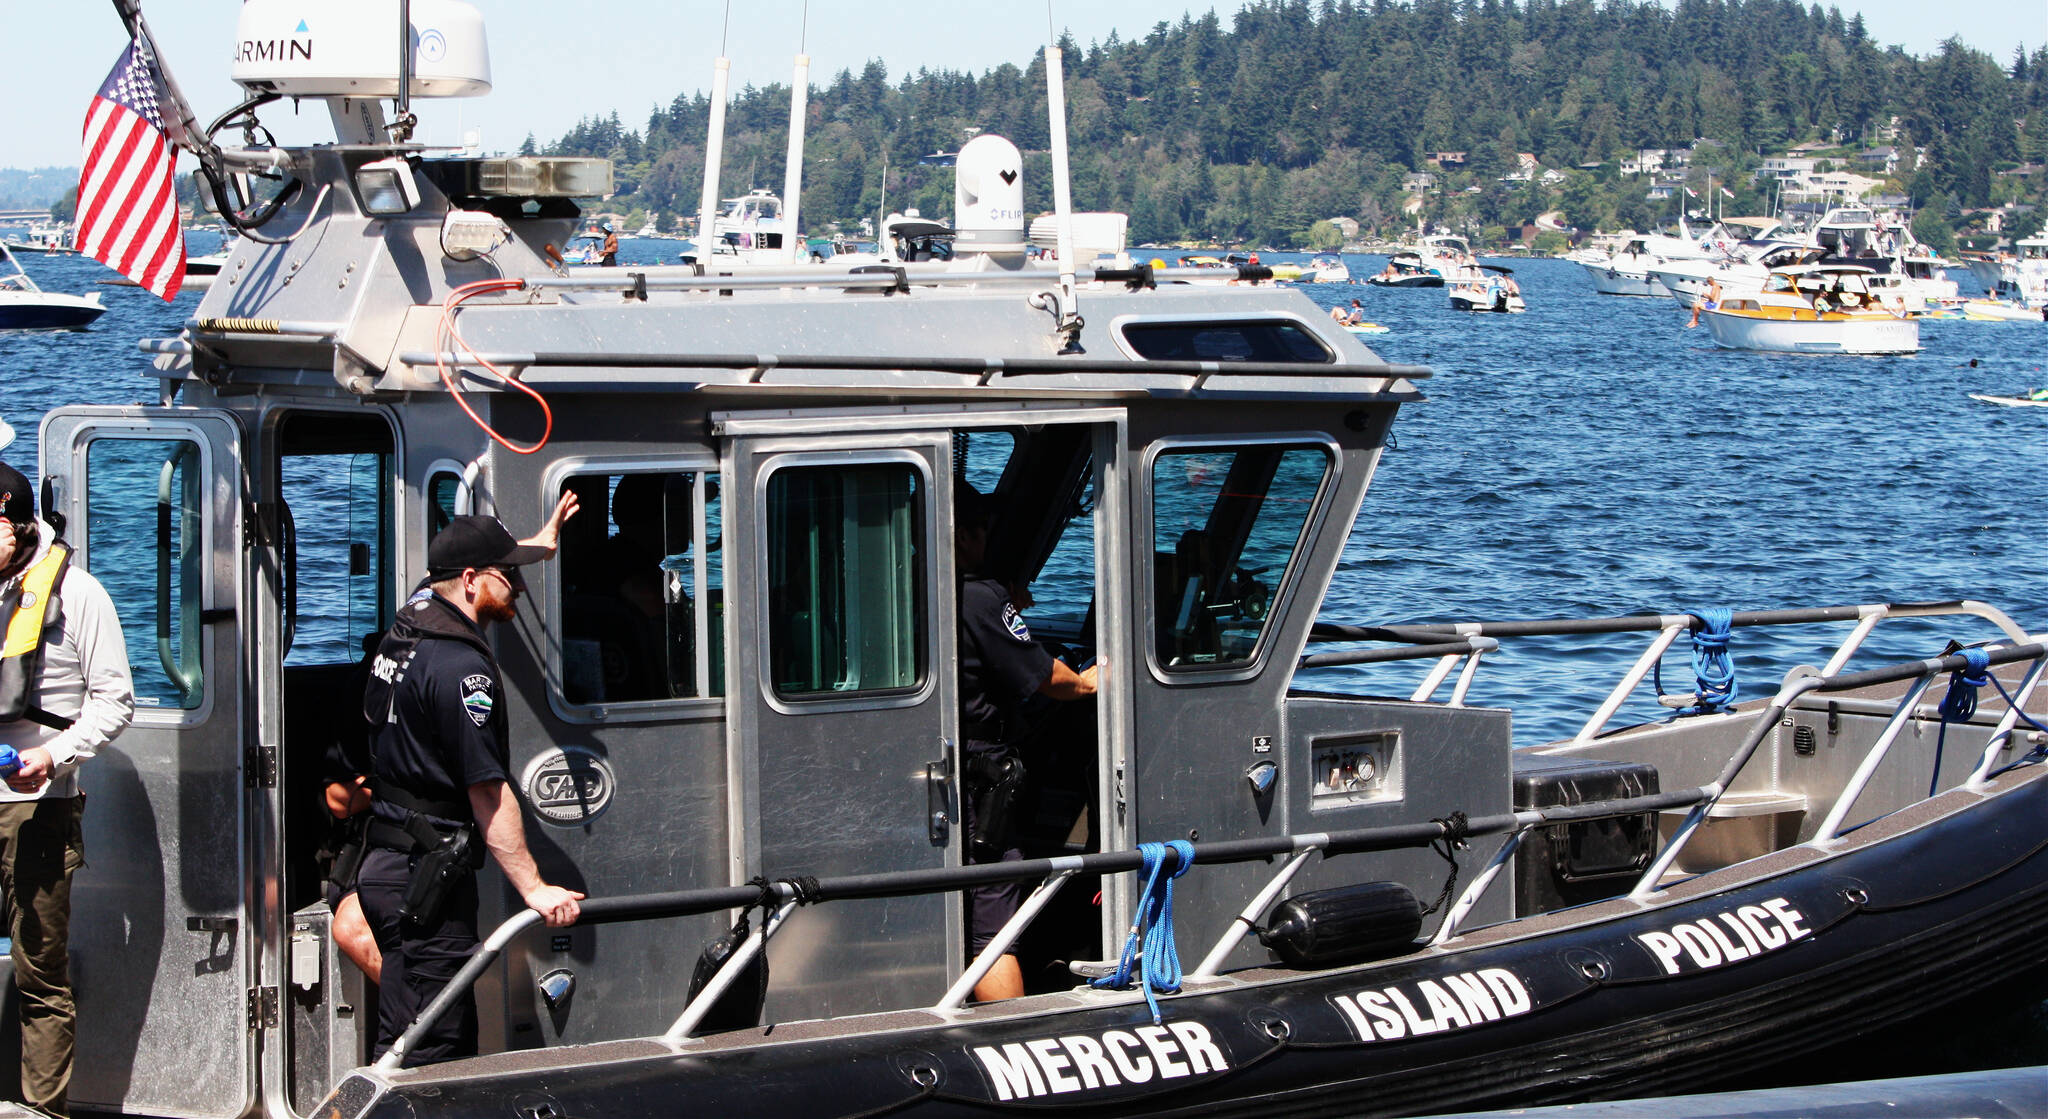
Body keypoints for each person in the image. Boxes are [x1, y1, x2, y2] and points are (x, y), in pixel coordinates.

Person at [357, 504, 585, 1065]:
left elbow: (448, 566)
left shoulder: (412, 618)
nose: (518, 586)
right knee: (432, 1046)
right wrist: (534, 889)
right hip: (425, 879)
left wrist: (538, 544)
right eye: (506, 575)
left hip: (388, 862)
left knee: (413, 1023)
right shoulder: (463, 671)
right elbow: (487, 792)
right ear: (469, 581)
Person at [0, 461, 134, 1116]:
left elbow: (115, 702)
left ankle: (42, 1109)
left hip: (37, 809)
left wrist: (52, 756)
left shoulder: (79, 594)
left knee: (39, 973)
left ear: (14, 522)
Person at [954, 485, 1098, 1003]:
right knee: (994, 921)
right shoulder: (976, 595)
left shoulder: (913, 586)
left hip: (952, 765)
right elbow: (1046, 677)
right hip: (980, 772)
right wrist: (1090, 682)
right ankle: (1011, 1031)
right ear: (968, 535)